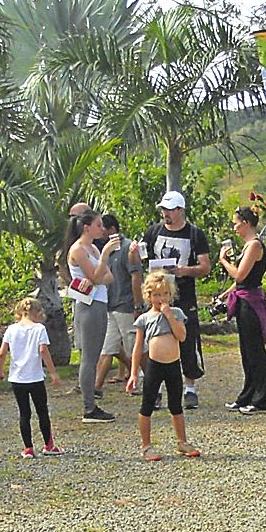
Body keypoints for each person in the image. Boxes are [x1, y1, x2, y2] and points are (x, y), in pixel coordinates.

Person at [134, 190, 211, 409]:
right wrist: (134, 253)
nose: (166, 214)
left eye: (170, 210)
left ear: (180, 211)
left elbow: (205, 266)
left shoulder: (194, 234)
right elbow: (142, 257)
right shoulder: (154, 232)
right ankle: (156, 388)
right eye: (164, 210)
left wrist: (183, 270)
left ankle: (190, 387)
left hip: (184, 294)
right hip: (158, 294)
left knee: (187, 338)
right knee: (156, 337)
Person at [126, 270, 201, 461]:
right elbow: (137, 348)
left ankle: (182, 441)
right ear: (149, 296)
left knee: (176, 405)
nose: (162, 298)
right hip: (154, 365)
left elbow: (182, 336)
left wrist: (169, 316)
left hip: (173, 364)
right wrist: (134, 373)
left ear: (171, 294)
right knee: (147, 405)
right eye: (157, 295)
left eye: (165, 294)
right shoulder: (144, 318)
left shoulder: (176, 313)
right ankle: (146, 445)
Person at [217, 205, 266, 413]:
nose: (235, 228)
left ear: (246, 223)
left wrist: (224, 261)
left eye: (236, 224)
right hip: (242, 298)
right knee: (246, 351)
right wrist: (226, 293)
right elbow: (242, 279)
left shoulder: (254, 246)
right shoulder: (247, 246)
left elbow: (240, 275)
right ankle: (247, 394)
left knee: (255, 350)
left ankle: (261, 398)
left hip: (251, 302)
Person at [65, 209, 115, 422]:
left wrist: (97, 275)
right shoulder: (78, 250)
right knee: (89, 357)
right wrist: (104, 258)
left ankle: (91, 403)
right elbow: (95, 275)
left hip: (99, 301)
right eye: (98, 225)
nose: (102, 229)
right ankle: (88, 407)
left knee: (94, 355)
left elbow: (108, 278)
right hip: (88, 305)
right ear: (87, 227)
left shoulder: (92, 249)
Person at [0, 297, 62, 458]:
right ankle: (48, 445)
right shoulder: (39, 329)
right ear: (38, 313)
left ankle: (28, 448)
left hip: (17, 378)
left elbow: (2, 352)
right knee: (42, 411)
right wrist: (53, 373)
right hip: (35, 377)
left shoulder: (11, 329)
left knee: (24, 413)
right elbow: (43, 351)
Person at [94, 212, 139, 399]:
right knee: (108, 347)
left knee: (133, 347)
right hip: (111, 305)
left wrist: (138, 305)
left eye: (102, 227)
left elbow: (136, 277)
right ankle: (95, 388)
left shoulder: (128, 248)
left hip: (125, 304)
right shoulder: (106, 250)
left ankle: (147, 382)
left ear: (111, 229)